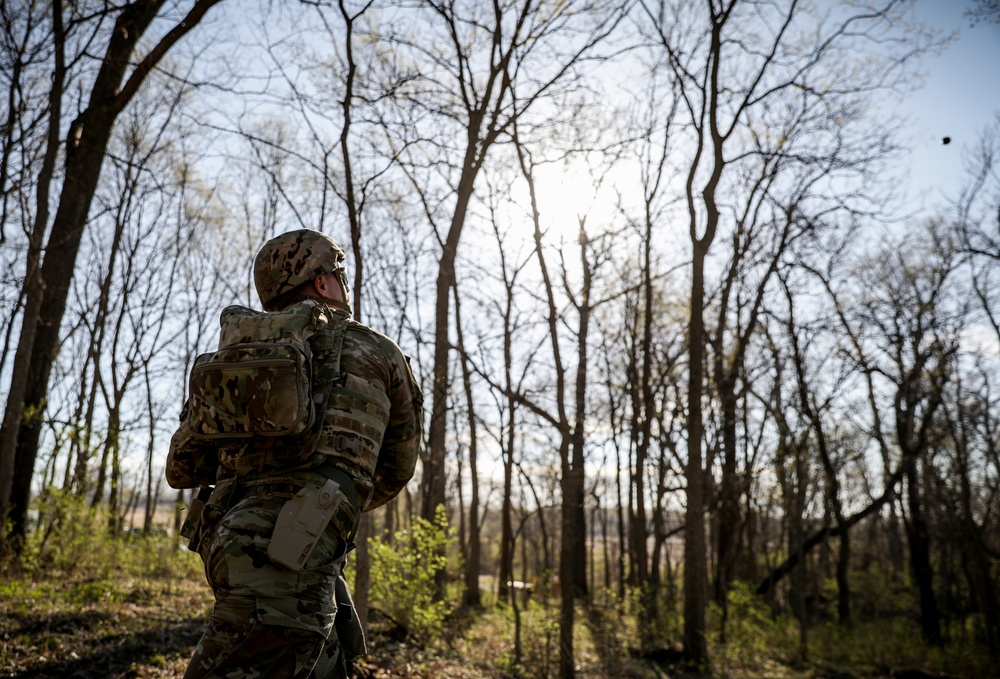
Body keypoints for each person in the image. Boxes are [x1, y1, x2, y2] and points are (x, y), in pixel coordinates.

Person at [166, 229, 423, 678]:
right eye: (340, 276)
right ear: (323, 282)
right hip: (299, 559)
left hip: (230, 551)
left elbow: (182, 467)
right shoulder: (378, 352)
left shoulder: (233, 361)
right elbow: (396, 468)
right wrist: (330, 495)